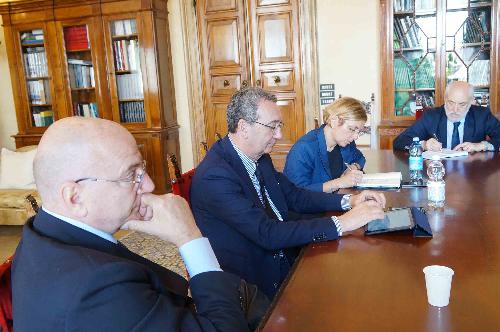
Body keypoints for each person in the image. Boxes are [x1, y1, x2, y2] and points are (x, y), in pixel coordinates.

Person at [12, 117, 256, 331]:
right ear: (75, 197)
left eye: (143, 169)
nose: (149, 185)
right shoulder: (97, 288)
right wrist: (189, 237)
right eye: (132, 175)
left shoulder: (41, 233)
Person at [190, 87, 386, 299]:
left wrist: (350, 200)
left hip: (284, 254)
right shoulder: (216, 176)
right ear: (244, 127)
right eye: (273, 127)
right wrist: (343, 223)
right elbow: (268, 233)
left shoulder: (259, 157)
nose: (279, 135)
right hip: (253, 284)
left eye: (279, 126)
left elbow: (295, 196)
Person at [283, 97, 367, 192]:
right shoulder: (304, 148)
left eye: (358, 131)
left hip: (336, 200)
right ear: (333, 121)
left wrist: (353, 167)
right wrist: (339, 182)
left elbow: (360, 158)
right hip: (313, 206)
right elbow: (296, 193)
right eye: (352, 129)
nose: (356, 136)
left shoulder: (346, 142)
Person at [393, 81, 500, 152]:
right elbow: (399, 142)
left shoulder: (482, 115)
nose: (455, 110)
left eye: (462, 104)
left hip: (472, 174)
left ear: (471, 102)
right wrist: (424, 144)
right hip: (439, 173)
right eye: (451, 103)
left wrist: (482, 145)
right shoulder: (431, 116)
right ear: (445, 99)